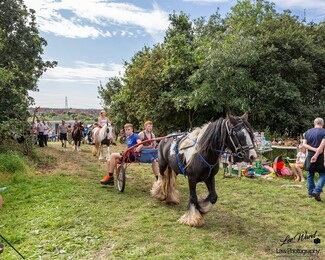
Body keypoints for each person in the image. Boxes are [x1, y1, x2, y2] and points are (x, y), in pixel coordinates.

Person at [302, 117, 325, 201]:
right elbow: (322, 146)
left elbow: (304, 144)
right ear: (322, 124)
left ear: (314, 123)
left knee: (310, 174)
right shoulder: (324, 132)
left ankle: (311, 192)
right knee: (323, 174)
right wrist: (317, 151)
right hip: (321, 156)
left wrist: (313, 149)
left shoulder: (307, 132)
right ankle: (317, 190)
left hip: (310, 155)